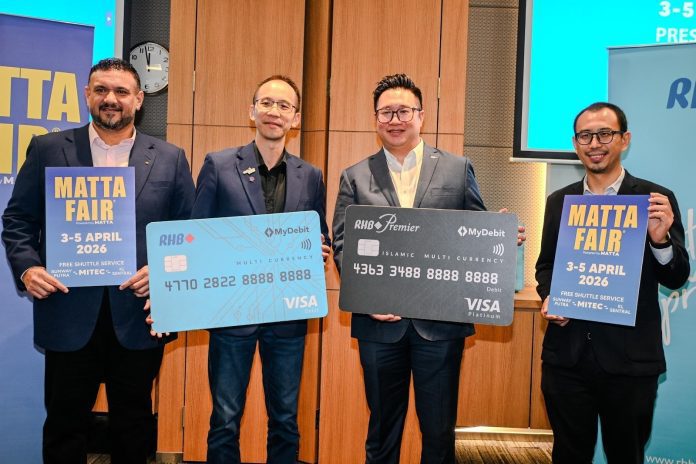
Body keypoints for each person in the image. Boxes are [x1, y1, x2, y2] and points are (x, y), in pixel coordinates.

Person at [1, 58, 195, 463]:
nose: (111, 99)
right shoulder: (48, 148)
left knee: (134, 425)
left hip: (139, 315)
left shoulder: (170, 157)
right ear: (87, 94)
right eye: (101, 90)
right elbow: (18, 219)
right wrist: (28, 268)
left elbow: (188, 232)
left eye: (121, 91)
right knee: (64, 424)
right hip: (68, 310)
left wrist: (162, 271)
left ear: (138, 100)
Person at [332, 73, 523, 464]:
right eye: (386, 112)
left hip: (440, 326)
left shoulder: (456, 168)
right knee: (381, 431)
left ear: (421, 115)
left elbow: (475, 232)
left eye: (404, 111)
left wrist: (500, 237)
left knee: (438, 433)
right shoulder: (355, 175)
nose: (395, 120)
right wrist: (367, 299)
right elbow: (342, 245)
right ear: (375, 119)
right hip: (378, 326)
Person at [535, 102, 690, 463]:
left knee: (626, 456)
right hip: (566, 359)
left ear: (624, 139)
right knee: (568, 455)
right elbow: (546, 267)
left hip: (630, 362)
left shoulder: (654, 200)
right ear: (575, 143)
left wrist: (660, 241)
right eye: (585, 136)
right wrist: (551, 296)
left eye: (605, 134)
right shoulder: (559, 201)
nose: (595, 144)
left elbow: (677, 277)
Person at [190, 75, 330, 464]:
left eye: (284, 106)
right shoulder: (219, 165)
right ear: (251, 111)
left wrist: (318, 250)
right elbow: (196, 235)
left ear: (295, 118)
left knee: (285, 419)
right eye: (266, 103)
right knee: (225, 419)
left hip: (287, 317)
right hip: (231, 314)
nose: (274, 111)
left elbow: (319, 234)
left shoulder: (311, 175)